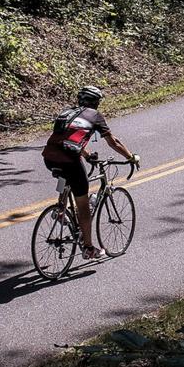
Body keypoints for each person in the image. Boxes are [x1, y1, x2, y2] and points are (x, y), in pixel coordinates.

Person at [41, 86, 139, 259]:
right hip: (69, 159)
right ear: (96, 102)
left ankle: (61, 208)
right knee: (83, 205)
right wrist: (131, 157)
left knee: (66, 176)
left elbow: (68, 139)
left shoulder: (67, 113)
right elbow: (113, 142)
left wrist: (86, 155)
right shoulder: (95, 116)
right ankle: (88, 248)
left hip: (49, 157)